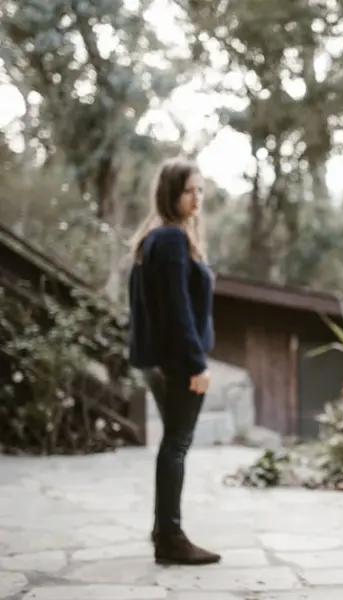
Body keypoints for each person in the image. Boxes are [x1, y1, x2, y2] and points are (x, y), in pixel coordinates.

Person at [127, 156, 219, 565]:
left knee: (172, 443)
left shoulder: (156, 238)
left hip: (162, 362)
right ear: (170, 194)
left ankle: (164, 529)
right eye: (188, 191)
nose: (197, 198)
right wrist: (196, 364)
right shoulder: (170, 240)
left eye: (200, 190)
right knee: (176, 445)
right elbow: (176, 309)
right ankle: (170, 537)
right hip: (177, 364)